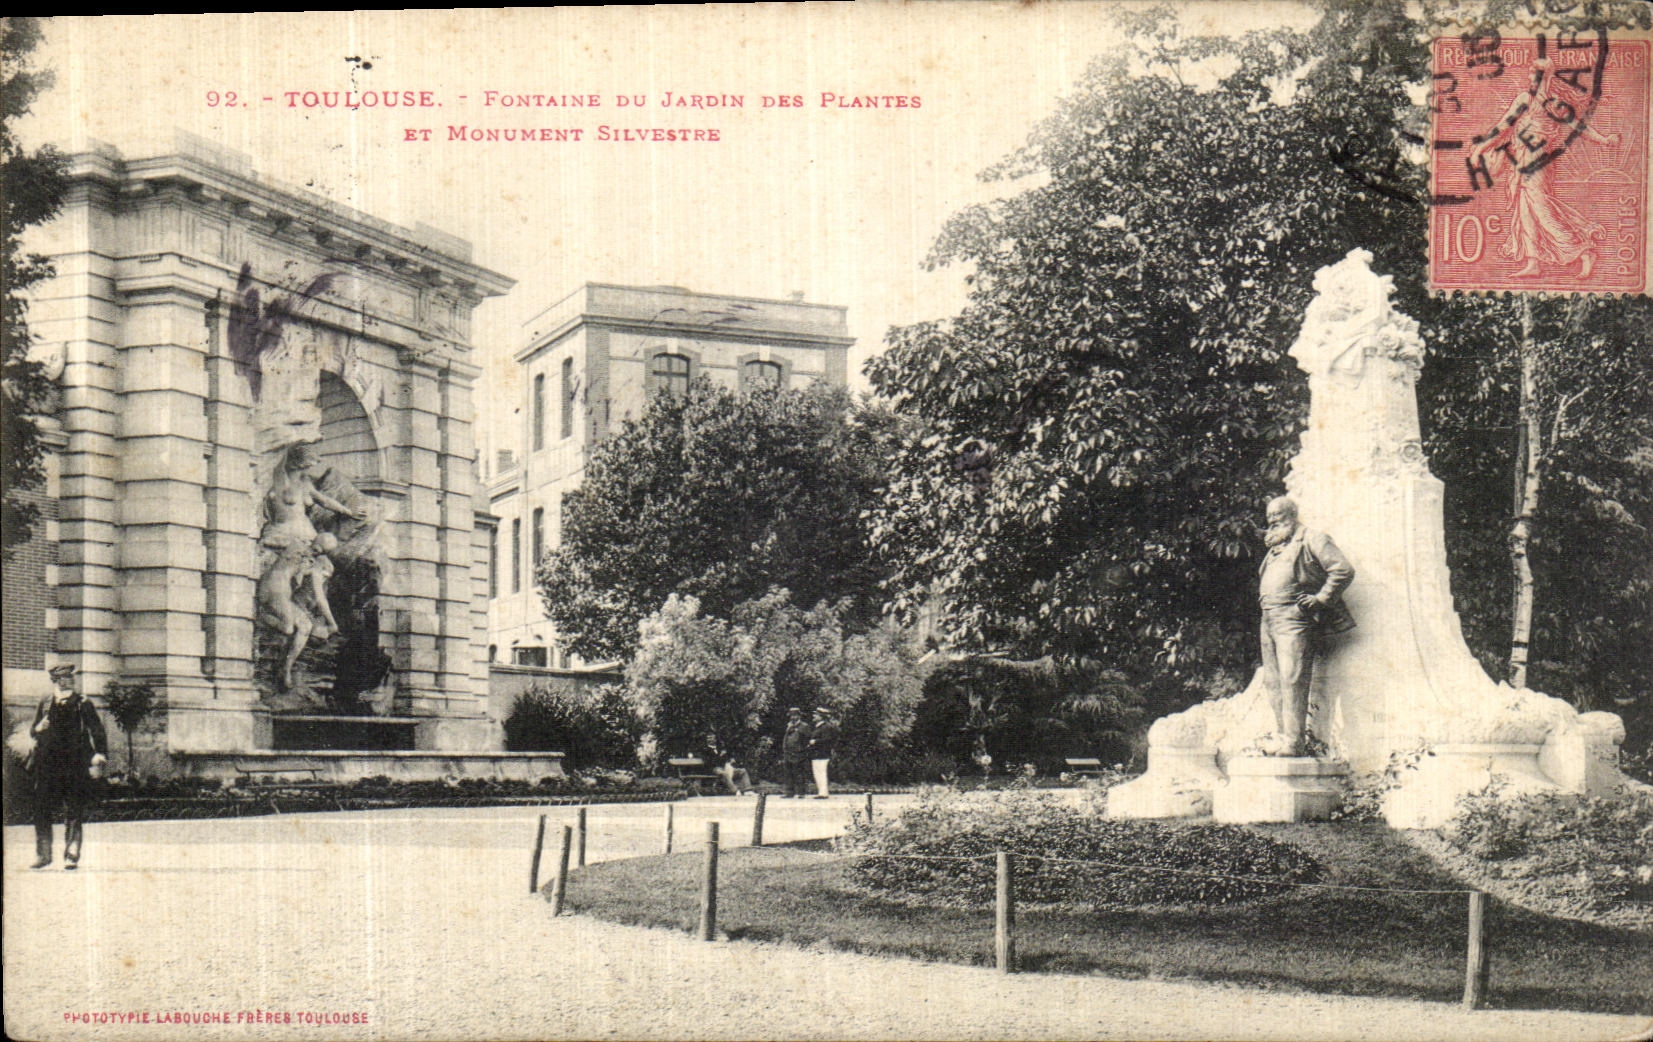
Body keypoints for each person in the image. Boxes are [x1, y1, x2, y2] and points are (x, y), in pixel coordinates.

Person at [1468, 57, 1620, 279]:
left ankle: (1583, 250)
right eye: (1530, 73)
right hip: (1520, 159)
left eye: (1534, 73)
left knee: (1540, 206)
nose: (1530, 77)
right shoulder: (1524, 99)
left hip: (1539, 160)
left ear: (1545, 76)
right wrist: (1478, 149)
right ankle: (1533, 262)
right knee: (1525, 209)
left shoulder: (1555, 104)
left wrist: (1605, 140)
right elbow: (1502, 126)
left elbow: (1579, 127)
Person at [1257, 496, 1355, 757]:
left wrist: (1321, 599)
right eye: (1270, 518)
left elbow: (1342, 570)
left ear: (1292, 514)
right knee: (1273, 681)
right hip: (1268, 619)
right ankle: (1281, 737)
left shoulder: (1312, 538)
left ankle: (1294, 742)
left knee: (1292, 679)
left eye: (1279, 515)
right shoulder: (1275, 547)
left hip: (1294, 618)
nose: (1273, 521)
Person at [30, 664, 108, 870]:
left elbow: (97, 730)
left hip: (74, 763)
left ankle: (72, 852)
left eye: (70, 677)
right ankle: (43, 854)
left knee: (73, 807)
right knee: (41, 808)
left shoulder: (82, 703)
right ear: (55, 681)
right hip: (48, 764)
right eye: (64, 678)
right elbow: (33, 730)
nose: (69, 681)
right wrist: (39, 727)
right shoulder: (46, 702)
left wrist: (99, 754)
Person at [807, 707, 840, 799]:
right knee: (818, 772)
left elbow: (827, 740)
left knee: (821, 772)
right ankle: (821, 792)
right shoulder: (819, 727)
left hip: (822, 753)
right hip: (817, 754)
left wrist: (815, 742)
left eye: (816, 715)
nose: (814, 716)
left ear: (821, 717)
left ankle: (823, 793)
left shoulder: (826, 727)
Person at [781, 708, 812, 798]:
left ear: (799, 716)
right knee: (788, 773)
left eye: (795, 715)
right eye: (791, 715)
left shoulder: (804, 726)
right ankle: (789, 792)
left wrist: (802, 750)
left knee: (799, 773)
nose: (793, 717)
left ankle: (801, 793)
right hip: (788, 753)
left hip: (799, 753)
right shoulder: (789, 726)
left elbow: (807, 739)